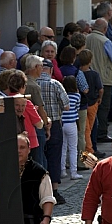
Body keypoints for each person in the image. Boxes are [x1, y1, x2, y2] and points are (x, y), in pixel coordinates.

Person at [37, 59, 70, 205]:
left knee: (39, 156)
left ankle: (40, 189)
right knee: (54, 156)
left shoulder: (32, 84)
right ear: (50, 70)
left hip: (36, 124)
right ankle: (54, 190)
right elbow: (67, 105)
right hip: (55, 123)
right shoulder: (55, 84)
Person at [86, 19, 112, 144]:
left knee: (91, 107)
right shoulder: (105, 41)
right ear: (105, 29)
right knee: (104, 107)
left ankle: (91, 133)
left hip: (88, 77)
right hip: (104, 78)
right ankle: (101, 132)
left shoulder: (87, 38)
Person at [18, 133, 56, 224]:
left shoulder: (39, 172)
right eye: (15, 147)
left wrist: (46, 219)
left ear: (29, 149)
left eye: (22, 148)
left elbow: (47, 198)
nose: (18, 151)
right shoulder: (3, 171)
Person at [61, 75, 83, 180]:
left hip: (62, 123)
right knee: (73, 148)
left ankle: (62, 170)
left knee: (63, 147)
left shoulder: (61, 95)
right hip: (72, 123)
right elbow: (77, 109)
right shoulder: (77, 96)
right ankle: (74, 172)